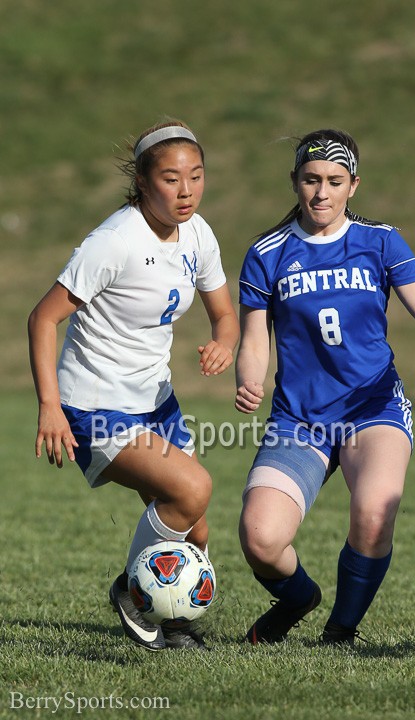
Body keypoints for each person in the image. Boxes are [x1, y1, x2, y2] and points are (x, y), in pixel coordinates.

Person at [235, 128, 415, 647]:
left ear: (353, 185)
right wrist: (249, 380)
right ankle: (297, 598)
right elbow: (254, 340)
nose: (321, 192)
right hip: (300, 418)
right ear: (294, 181)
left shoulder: (381, 241)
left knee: (375, 510)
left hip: (371, 407)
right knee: (260, 538)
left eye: (334, 181)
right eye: (311, 180)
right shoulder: (267, 253)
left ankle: (341, 629)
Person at [28, 119, 239, 651]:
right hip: (95, 403)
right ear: (143, 183)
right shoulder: (114, 241)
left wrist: (224, 342)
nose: (186, 189)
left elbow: (224, 314)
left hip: (155, 398)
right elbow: (42, 318)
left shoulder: (198, 233)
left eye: (196, 175)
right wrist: (49, 405)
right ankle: (131, 591)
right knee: (192, 489)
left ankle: (174, 623)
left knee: (196, 530)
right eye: (171, 179)